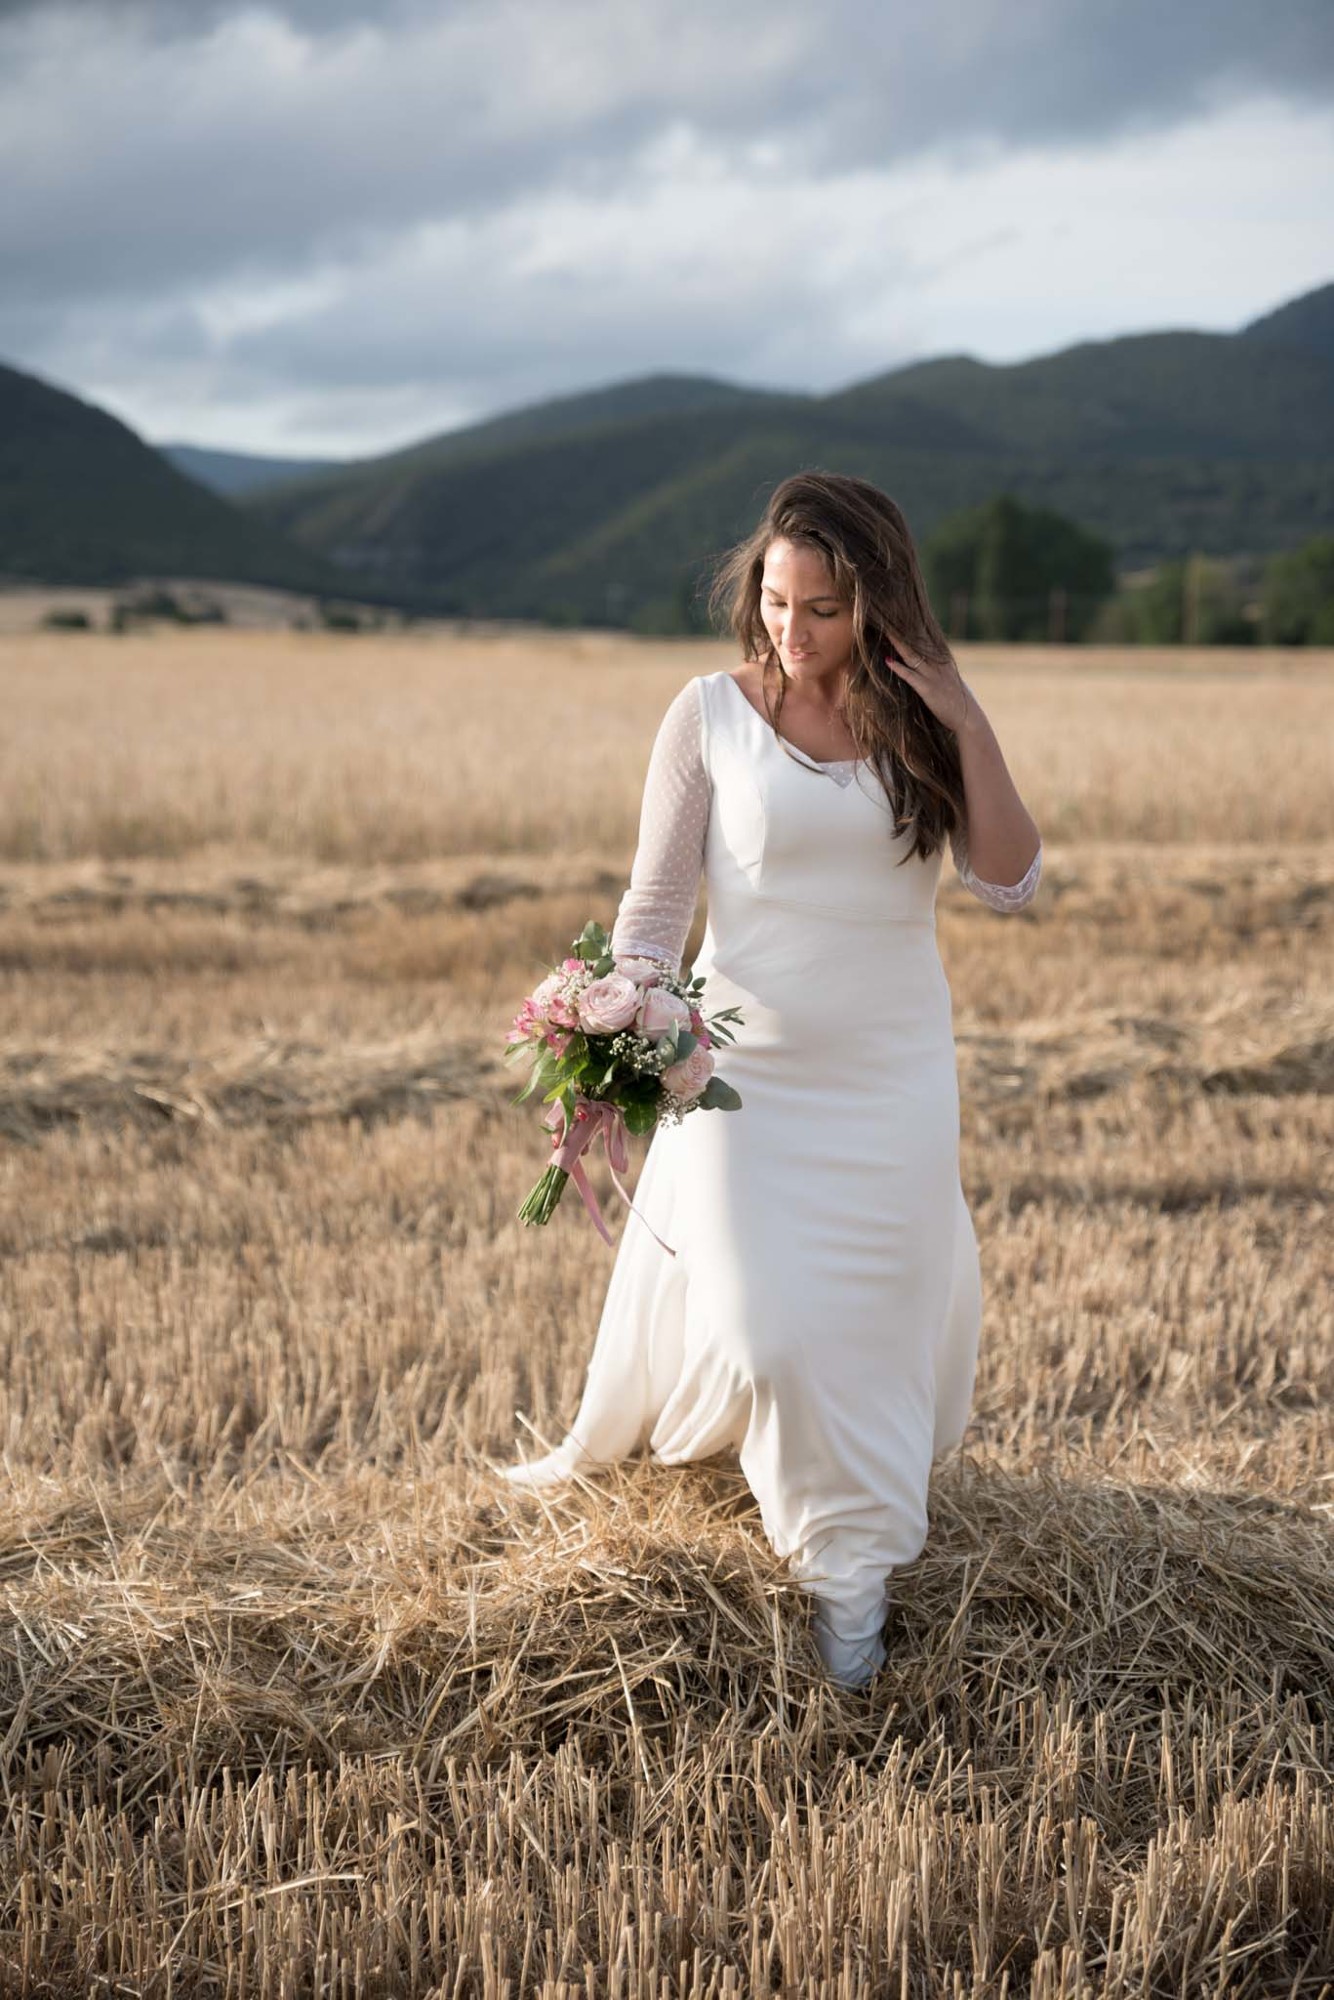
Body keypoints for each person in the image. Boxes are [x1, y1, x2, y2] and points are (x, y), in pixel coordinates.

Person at [499, 470, 1043, 1687]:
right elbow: (652, 911)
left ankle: (847, 1604)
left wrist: (964, 718)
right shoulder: (705, 713)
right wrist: (610, 1025)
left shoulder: (923, 722)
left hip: (893, 1073)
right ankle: (787, 1507)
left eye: (821, 610)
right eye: (775, 602)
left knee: (871, 1333)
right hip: (742, 1077)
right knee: (764, 1335)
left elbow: (1009, 882)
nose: (790, 634)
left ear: (879, 605)